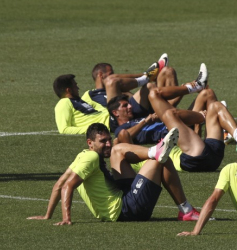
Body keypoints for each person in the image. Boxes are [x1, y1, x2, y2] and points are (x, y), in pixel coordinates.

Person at [27, 123, 201, 223]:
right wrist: (66, 218)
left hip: (123, 196)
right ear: (90, 143)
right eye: (103, 141)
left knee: (118, 150)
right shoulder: (90, 159)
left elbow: (58, 184)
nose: (108, 144)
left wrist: (47, 215)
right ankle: (186, 210)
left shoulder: (81, 156)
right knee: (162, 160)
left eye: (108, 139)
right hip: (126, 210)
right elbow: (67, 186)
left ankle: (153, 151)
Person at [53, 55, 164, 134]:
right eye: (75, 85)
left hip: (117, 114)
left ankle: (167, 112)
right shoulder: (64, 103)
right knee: (112, 81)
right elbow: (64, 130)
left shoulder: (79, 101)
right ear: (68, 90)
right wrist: (94, 129)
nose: (78, 87)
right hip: (111, 119)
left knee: (150, 87)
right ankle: (146, 77)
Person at [107, 63, 209, 145]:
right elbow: (125, 135)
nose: (130, 106)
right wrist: (146, 121)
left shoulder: (137, 118)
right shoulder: (120, 129)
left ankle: (194, 86)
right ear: (115, 113)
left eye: (128, 104)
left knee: (207, 94)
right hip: (177, 131)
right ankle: (195, 87)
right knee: (207, 98)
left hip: (178, 120)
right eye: (125, 106)